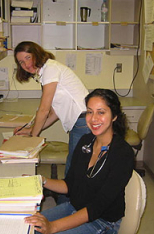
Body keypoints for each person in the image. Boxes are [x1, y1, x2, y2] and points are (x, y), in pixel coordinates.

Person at [25, 88, 134, 234]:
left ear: (114, 116)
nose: (93, 118)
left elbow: (97, 207)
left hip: (101, 221)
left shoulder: (122, 154)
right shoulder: (86, 142)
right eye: (90, 112)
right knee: (27, 227)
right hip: (75, 207)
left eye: (101, 112)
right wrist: (40, 180)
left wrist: (53, 227)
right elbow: (69, 185)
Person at [13, 41, 90, 175]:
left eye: (28, 57)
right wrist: (31, 131)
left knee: (74, 168)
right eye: (21, 62)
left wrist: (33, 139)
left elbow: (44, 110)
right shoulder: (47, 72)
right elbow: (53, 113)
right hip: (81, 122)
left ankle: (67, 196)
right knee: (75, 166)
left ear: (36, 54)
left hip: (83, 122)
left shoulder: (51, 69)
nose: (26, 64)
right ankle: (70, 194)